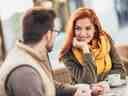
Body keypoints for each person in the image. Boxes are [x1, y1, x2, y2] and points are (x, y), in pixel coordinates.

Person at [0, 7, 93, 96]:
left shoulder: (27, 55)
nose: (56, 36)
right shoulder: (25, 73)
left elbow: (47, 84)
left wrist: (76, 89)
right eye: (56, 31)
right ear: (48, 35)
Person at [59, 7, 126, 84]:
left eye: (88, 28)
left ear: (95, 29)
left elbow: (121, 71)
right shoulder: (68, 53)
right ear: (72, 30)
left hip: (112, 90)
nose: (83, 34)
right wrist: (85, 49)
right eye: (78, 28)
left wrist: (101, 80)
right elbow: (88, 82)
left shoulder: (105, 40)